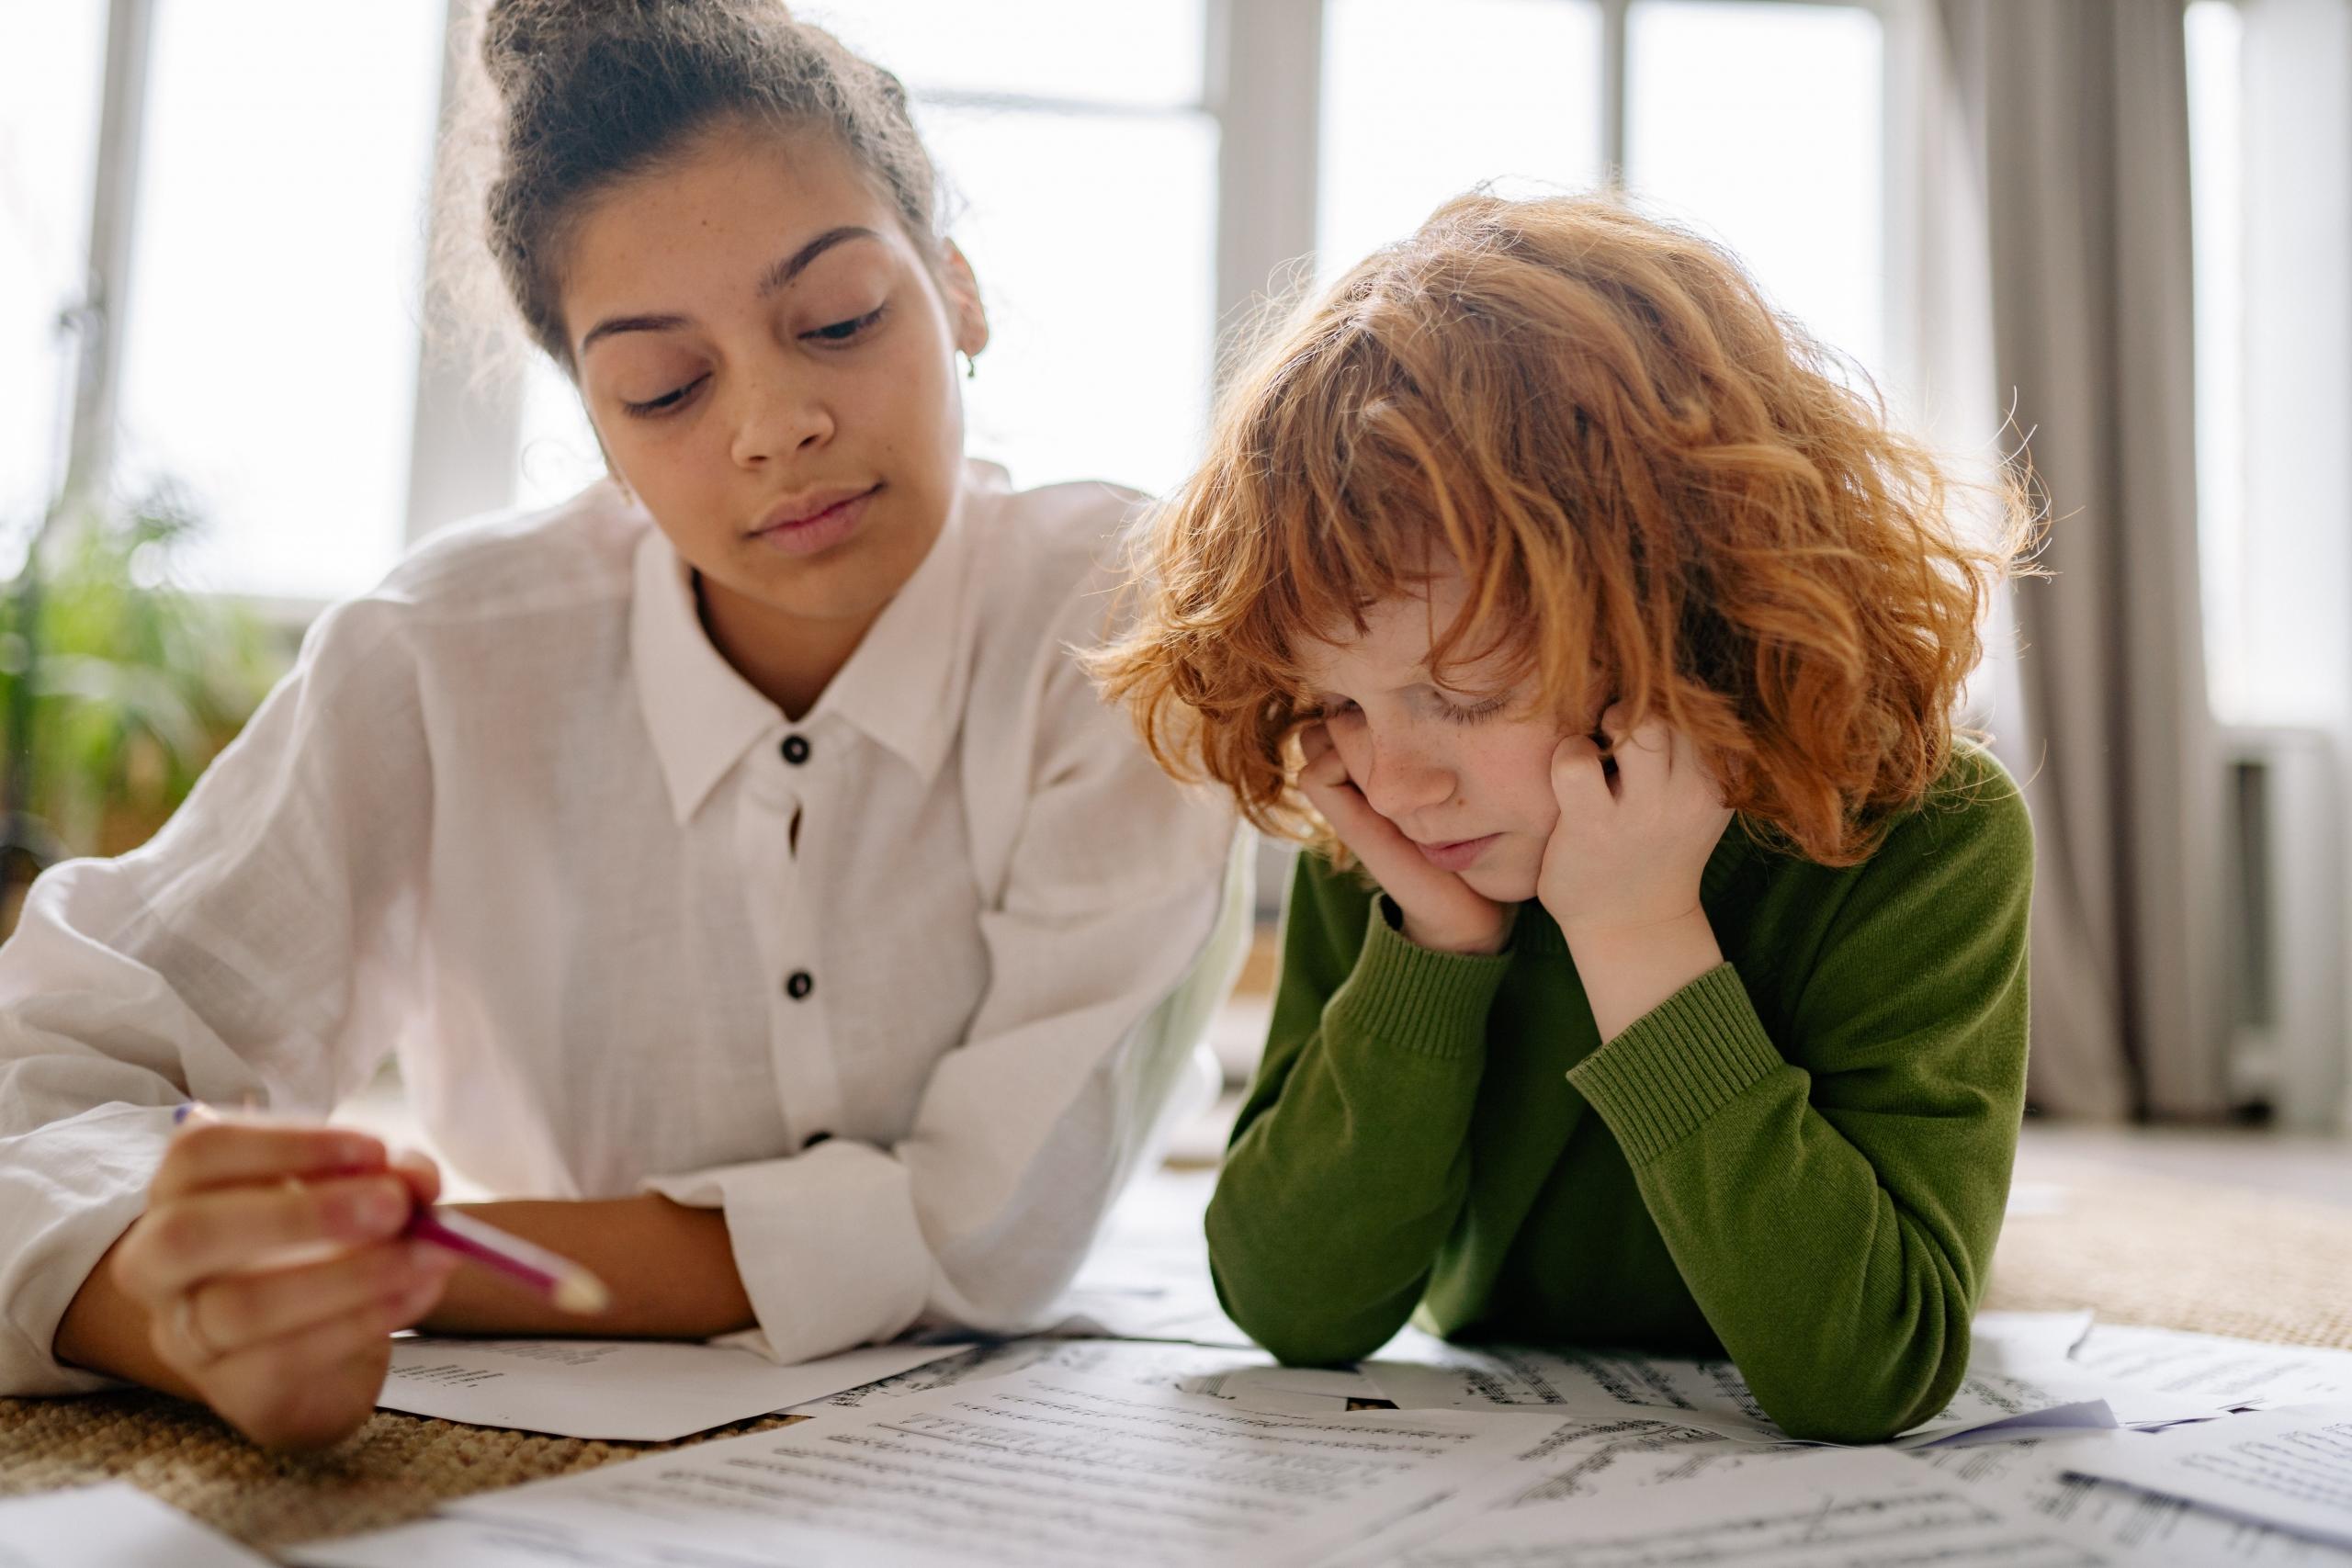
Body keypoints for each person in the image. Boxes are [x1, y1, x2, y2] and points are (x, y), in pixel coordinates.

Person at [0, 0, 1237, 1450]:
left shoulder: (1121, 622)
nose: (772, 426)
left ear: (958, 290)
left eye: (839, 320)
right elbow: (44, 1075)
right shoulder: (439, 657)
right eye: (664, 387)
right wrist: (169, 1295)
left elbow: (981, 1229)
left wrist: (418, 1267)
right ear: (592, 424)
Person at [1098, 193, 2034, 1444]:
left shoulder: (1933, 841)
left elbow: (1868, 1369)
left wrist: (1639, 929)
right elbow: (1295, 1308)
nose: (1399, 779)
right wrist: (1434, 955)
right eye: (1342, 704)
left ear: (1694, 602)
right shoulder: (1389, 845)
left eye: (1464, 693)